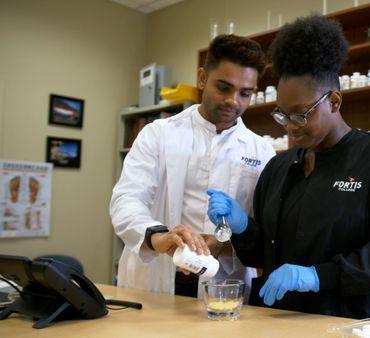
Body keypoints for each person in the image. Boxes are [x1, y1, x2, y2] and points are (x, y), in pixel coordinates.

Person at [207, 16, 370, 322]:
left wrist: (318, 276)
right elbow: (261, 255)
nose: (290, 128)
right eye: (282, 116)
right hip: (282, 323)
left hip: (357, 324)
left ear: (335, 101)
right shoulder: (280, 167)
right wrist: (243, 229)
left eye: (300, 115)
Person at [110, 34, 275, 297]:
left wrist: (227, 246)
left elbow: (264, 230)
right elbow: (126, 201)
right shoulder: (159, 134)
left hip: (222, 281)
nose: (234, 100)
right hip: (158, 278)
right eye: (223, 87)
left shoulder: (262, 151)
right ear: (201, 78)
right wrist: (160, 238)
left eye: (245, 93)